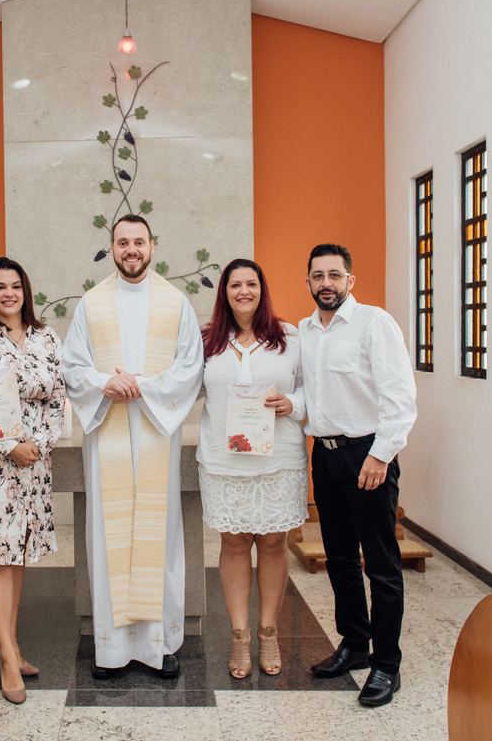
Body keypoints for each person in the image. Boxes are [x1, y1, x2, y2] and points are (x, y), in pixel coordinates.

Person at [62, 214, 204, 679]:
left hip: (156, 432)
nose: (131, 250)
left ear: (152, 246)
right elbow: (72, 366)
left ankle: (158, 647)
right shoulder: (92, 303)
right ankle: (111, 650)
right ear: (112, 248)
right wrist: (105, 383)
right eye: (122, 242)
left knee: (157, 538)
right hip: (108, 433)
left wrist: (143, 386)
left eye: (138, 242)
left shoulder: (175, 302)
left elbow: (191, 367)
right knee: (110, 538)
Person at [300, 243, 417, 708]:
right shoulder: (306, 331)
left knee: (381, 564)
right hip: (325, 456)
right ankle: (354, 644)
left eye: (334, 274)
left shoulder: (374, 323)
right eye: (318, 275)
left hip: (368, 456)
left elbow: (400, 396)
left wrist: (381, 455)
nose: (326, 283)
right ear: (308, 282)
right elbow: (313, 395)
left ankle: (387, 664)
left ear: (350, 280)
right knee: (340, 558)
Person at [0, 257, 65, 705]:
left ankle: (8, 640)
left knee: (18, 551)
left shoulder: (46, 337)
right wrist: (10, 446)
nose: (8, 294)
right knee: (0, 555)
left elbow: (57, 397)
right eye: (0, 286)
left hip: (35, 463)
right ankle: (7, 657)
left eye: (15, 286)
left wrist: (38, 444)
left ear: (26, 292)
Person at [197, 259, 307, 679]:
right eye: (235, 285)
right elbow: (182, 388)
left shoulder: (290, 338)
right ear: (224, 292)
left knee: (275, 543)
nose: (244, 291)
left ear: (262, 289)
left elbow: (311, 391)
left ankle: (268, 631)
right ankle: (240, 636)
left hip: (278, 459)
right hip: (224, 461)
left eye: (251, 284)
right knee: (234, 542)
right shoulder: (206, 340)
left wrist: (292, 403)